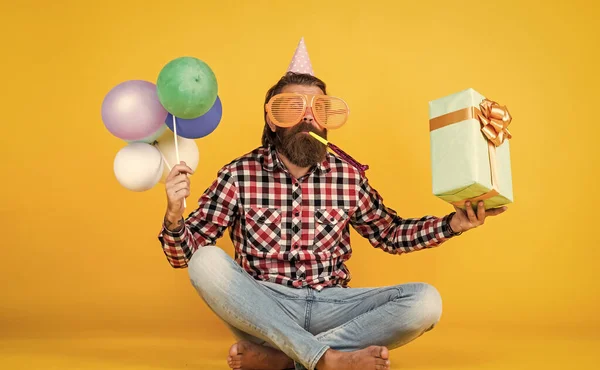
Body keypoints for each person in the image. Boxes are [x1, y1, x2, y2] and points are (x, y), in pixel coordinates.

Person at [157, 41, 507, 370]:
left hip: (333, 304)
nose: (308, 118)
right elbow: (183, 257)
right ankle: (326, 359)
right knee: (205, 260)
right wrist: (174, 215)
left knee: (426, 302)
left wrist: (453, 224)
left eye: (319, 109)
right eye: (293, 108)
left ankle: (284, 358)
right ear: (272, 119)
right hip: (264, 307)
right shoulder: (238, 174)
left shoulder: (348, 176)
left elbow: (390, 234)